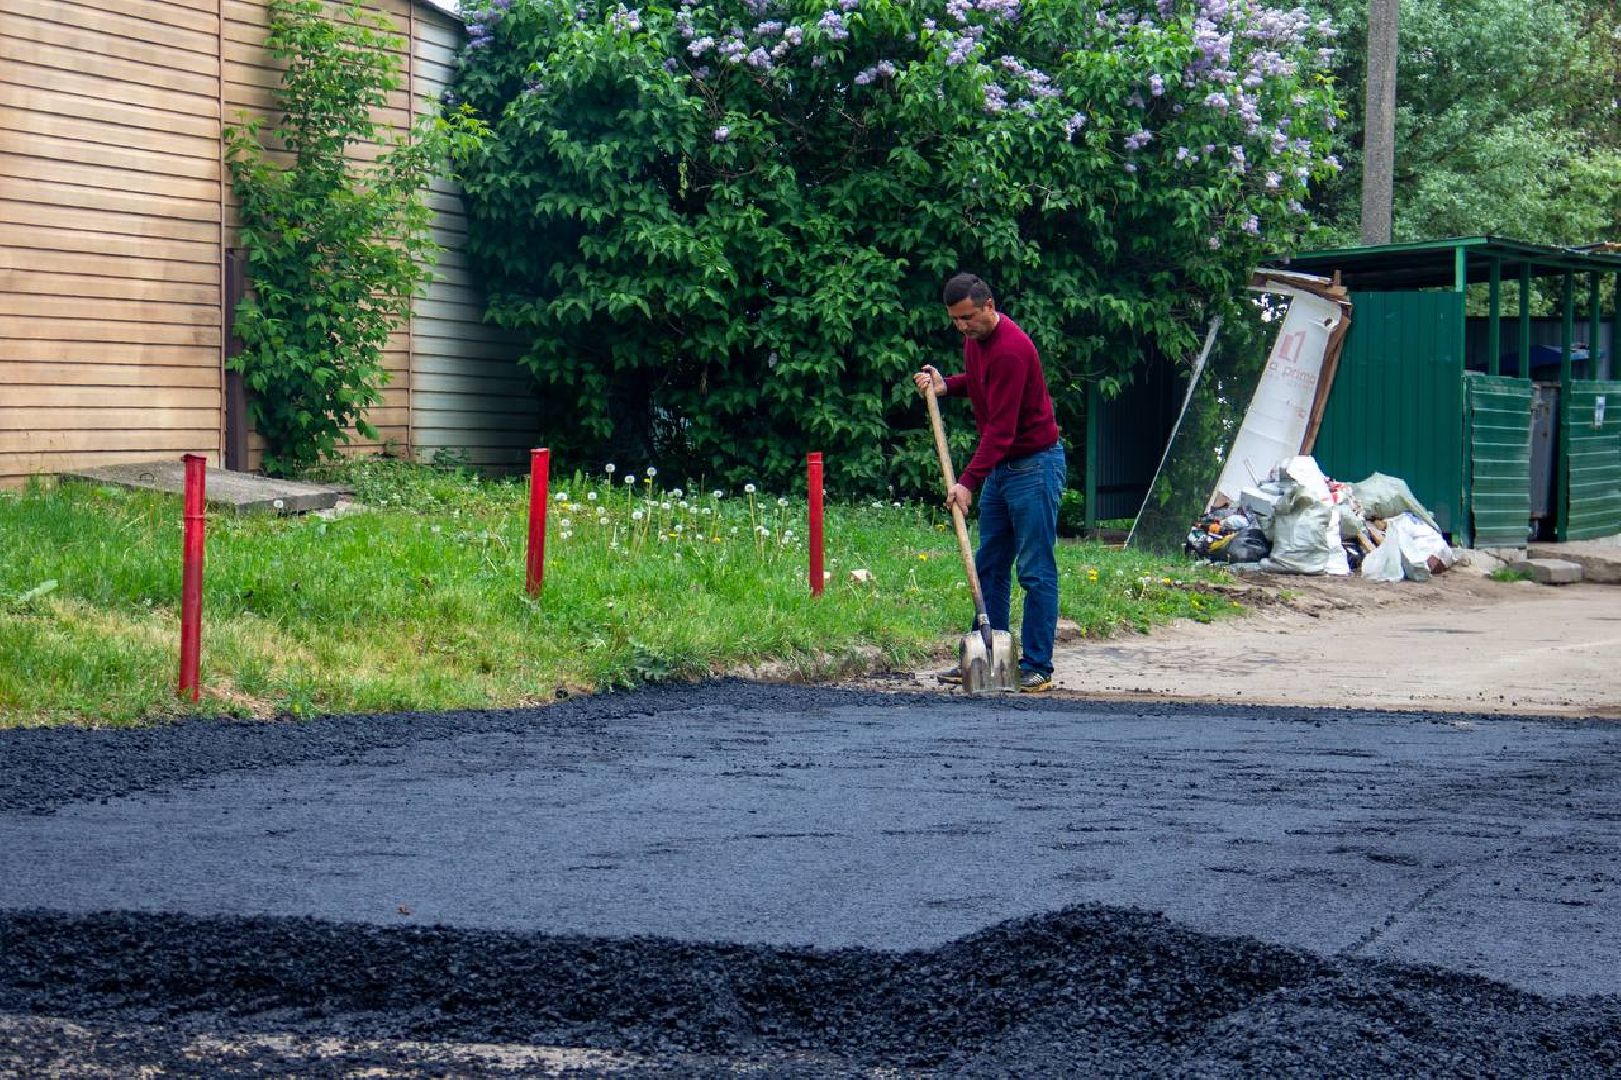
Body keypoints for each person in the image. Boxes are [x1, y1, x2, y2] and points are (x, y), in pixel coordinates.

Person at [914, 272, 1065, 692]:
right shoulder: (976, 343)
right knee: (990, 564)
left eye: (967, 318)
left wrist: (966, 483)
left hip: (1034, 467)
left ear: (989, 306)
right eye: (955, 320)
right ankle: (988, 654)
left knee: (1035, 569)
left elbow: (1000, 428)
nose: (962, 327)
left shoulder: (1012, 350)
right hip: (1003, 469)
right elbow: (982, 387)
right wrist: (947, 386)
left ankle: (1037, 665)